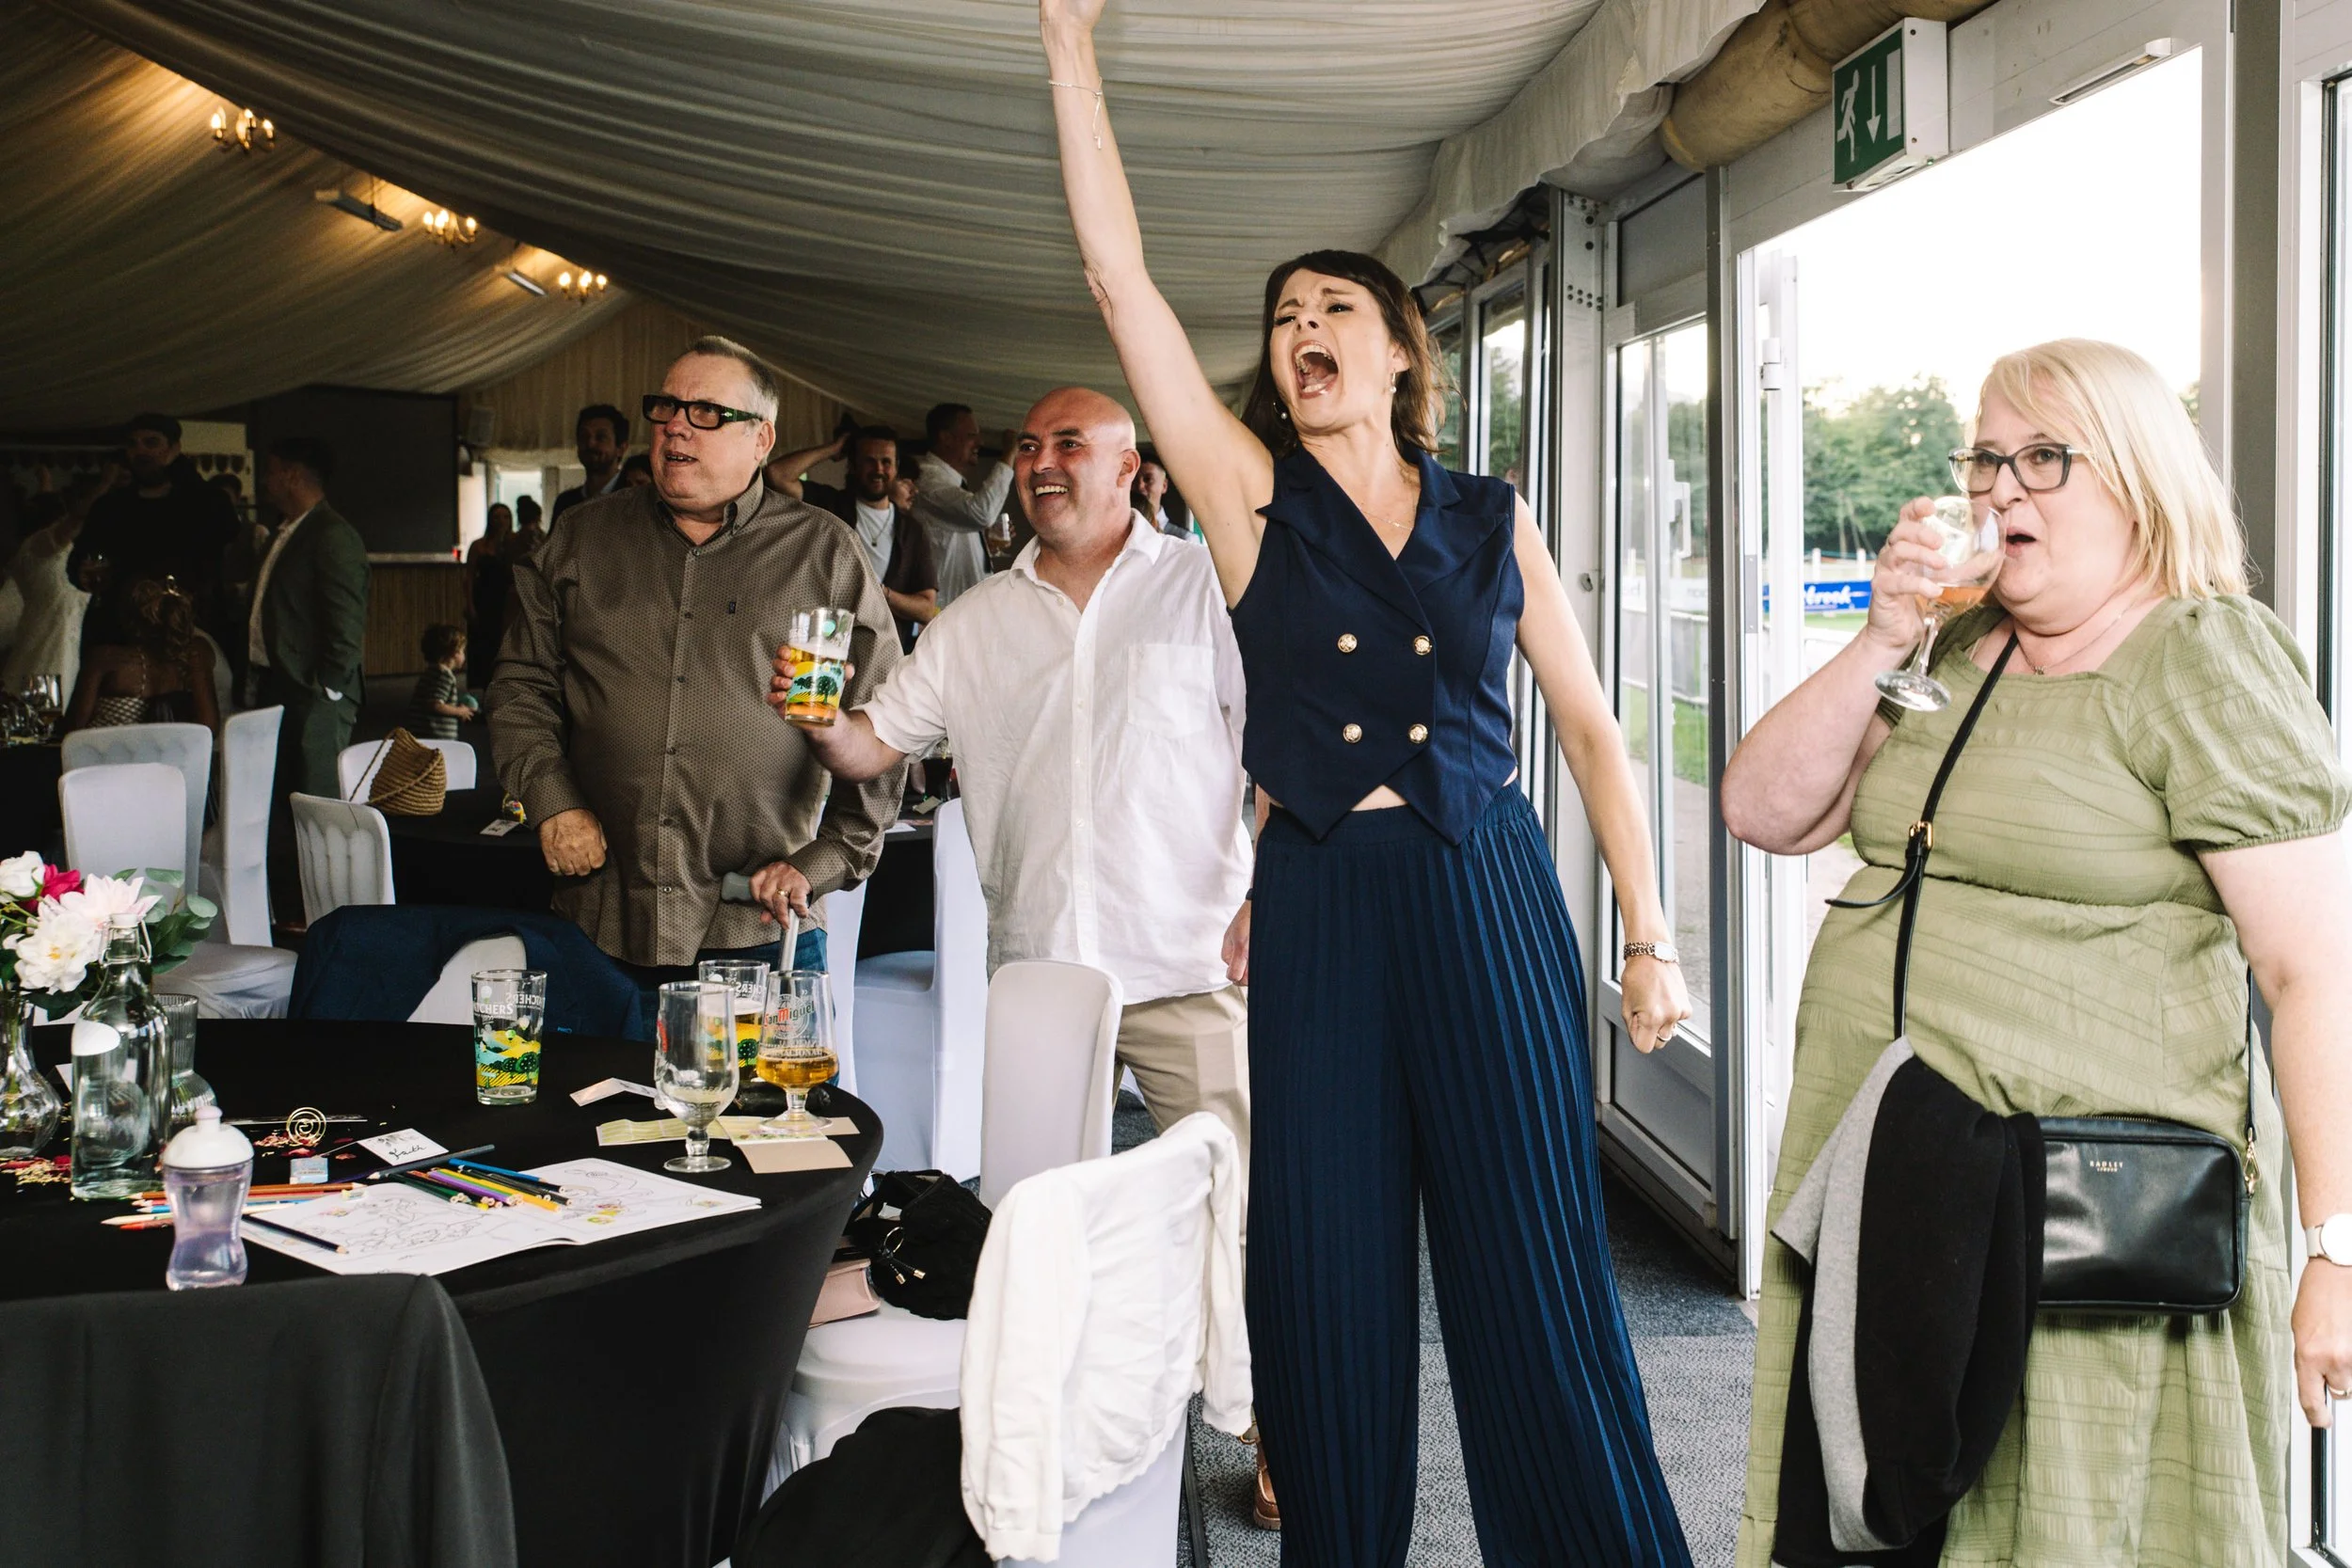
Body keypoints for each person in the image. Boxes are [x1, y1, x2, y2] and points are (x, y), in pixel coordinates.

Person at [1040, 5, 1695, 1560]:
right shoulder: (1248, 500)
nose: (1304, 326)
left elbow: (1591, 728)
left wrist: (1650, 934)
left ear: (1403, 349)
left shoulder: (1488, 515)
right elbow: (1122, 285)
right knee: (1324, 1259)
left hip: (1483, 888)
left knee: (1532, 1257)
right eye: (1284, 316)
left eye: (1336, 306)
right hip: (1324, 904)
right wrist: (1069, 46)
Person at [1721, 339, 2352, 1564]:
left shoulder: (2203, 657)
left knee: (2068, 1513)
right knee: (1887, 1500)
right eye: (1986, 457)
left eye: (2042, 457)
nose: (1999, 486)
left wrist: (2337, 1249)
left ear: (2137, 476)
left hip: (2078, 1211)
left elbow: (2313, 969)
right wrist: (1878, 638)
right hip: (1899, 1185)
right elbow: (1764, 808)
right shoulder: (1954, 645)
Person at [778, 384, 1252, 1165]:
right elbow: (871, 746)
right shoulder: (973, 621)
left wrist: (1268, 892)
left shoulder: (1204, 587)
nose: (1041, 462)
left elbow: (1282, 753)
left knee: (1234, 1201)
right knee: (1036, 1211)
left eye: (1070, 444)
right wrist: (823, 721)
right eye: (1028, 447)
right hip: (1041, 976)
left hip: (1187, 964)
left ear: (1127, 467)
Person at [489, 336, 906, 990]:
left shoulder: (824, 554)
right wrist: (552, 800)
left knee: (760, 1072)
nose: (676, 426)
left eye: (707, 412)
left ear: (762, 439)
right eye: (666, 407)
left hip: (755, 924)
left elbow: (887, 721)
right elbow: (521, 684)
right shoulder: (581, 539)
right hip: (599, 915)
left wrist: (825, 859)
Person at [251, 436, 368, 799]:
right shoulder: (286, 531)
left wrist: (327, 688)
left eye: (270, 472)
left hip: (313, 693)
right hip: (281, 683)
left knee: (315, 801)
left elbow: (346, 621)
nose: (264, 481)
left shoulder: (332, 535)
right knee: (283, 799)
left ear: (291, 476)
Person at [69, 413, 238, 650]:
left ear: (173, 449)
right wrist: (83, 571)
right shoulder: (111, 507)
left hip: (187, 629)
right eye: (133, 444)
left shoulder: (205, 502)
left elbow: (225, 543)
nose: (140, 451)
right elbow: (81, 558)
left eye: (151, 442)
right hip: (121, 631)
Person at [770, 426, 939, 649]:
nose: (878, 469)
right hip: (825, 647)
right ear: (853, 465)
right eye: (869, 461)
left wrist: (881, 592)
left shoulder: (913, 531)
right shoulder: (830, 505)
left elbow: (927, 610)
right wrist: (832, 450)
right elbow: (777, 475)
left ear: (897, 468)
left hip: (886, 653)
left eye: (886, 462)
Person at [63, 577, 219, 735]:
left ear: (129, 619)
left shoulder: (105, 659)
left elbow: (72, 730)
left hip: (107, 751)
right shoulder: (195, 654)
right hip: (172, 751)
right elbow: (208, 729)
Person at [911, 403, 1016, 608]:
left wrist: (985, 546)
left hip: (967, 607)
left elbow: (950, 539)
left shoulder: (952, 483)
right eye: (972, 435)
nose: (980, 442)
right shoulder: (927, 478)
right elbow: (982, 513)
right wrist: (1009, 454)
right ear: (946, 438)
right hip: (945, 609)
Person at [0, 492, 90, 700]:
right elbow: (75, 520)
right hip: (44, 670)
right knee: (40, 718)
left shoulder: (66, 561)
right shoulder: (39, 554)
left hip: (65, 667)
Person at [549, 404, 630, 521]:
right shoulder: (565, 503)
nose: (590, 444)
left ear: (621, 449)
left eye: (601, 437)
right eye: (584, 436)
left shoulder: (632, 498)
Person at [466, 501, 516, 689]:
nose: (501, 521)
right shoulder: (479, 546)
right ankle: (483, 689)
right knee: (483, 646)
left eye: (505, 517)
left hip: (507, 600)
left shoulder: (515, 544)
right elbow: (469, 576)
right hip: (484, 599)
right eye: (497, 517)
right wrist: (470, 604)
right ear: (490, 520)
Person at [404, 624, 475, 741]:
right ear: (454, 653)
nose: (464, 655)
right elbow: (436, 705)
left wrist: (454, 707)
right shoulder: (444, 675)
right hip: (436, 736)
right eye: (462, 651)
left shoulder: (431, 672)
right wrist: (459, 711)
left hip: (421, 732)